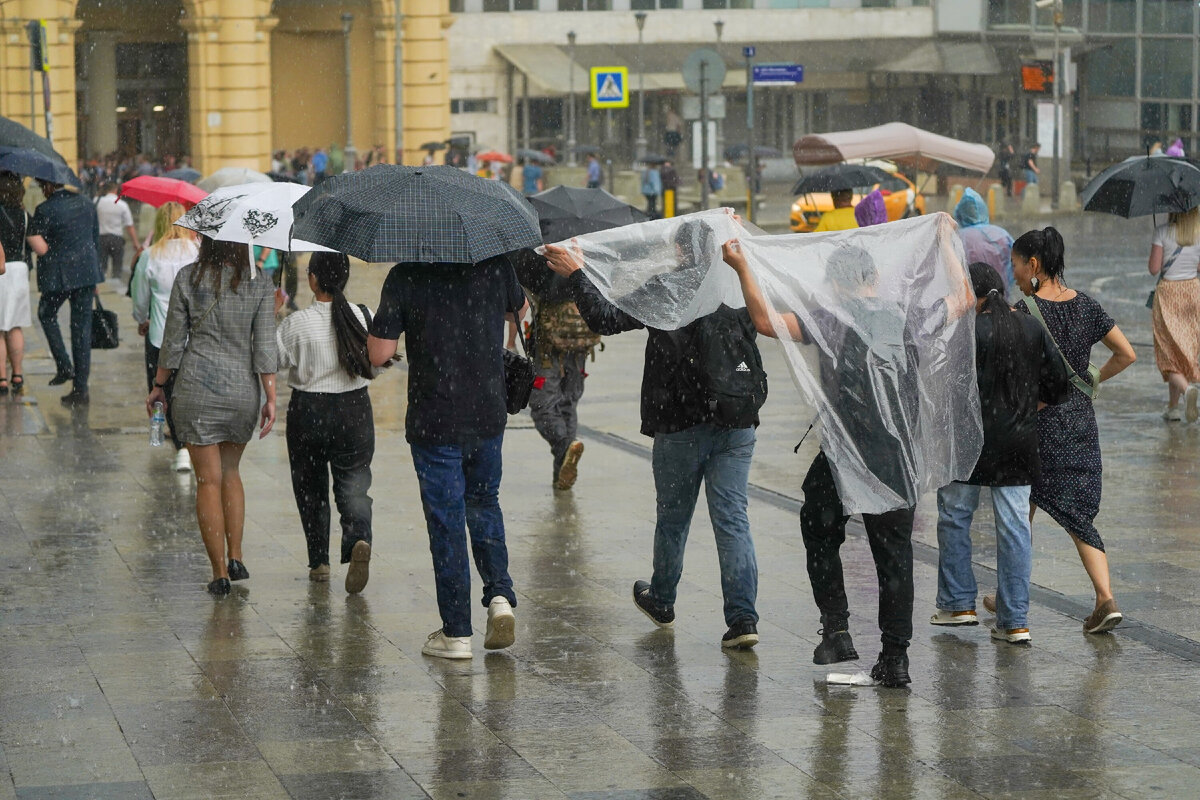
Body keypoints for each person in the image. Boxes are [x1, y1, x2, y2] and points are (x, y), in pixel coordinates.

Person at [721, 235, 974, 687]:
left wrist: (742, 265)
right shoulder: (909, 318)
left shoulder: (829, 319)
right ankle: (895, 658)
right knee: (894, 556)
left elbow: (763, 321)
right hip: (897, 455)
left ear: (835, 285)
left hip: (843, 454)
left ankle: (836, 626)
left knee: (817, 526)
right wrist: (942, 241)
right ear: (874, 278)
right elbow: (964, 299)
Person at [543, 222, 766, 651]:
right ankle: (742, 618)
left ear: (681, 252)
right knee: (733, 518)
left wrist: (577, 274)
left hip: (681, 421)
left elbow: (605, 318)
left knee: (673, 517)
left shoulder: (668, 289)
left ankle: (663, 598)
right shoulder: (737, 288)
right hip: (737, 421)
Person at [366, 255, 527, 659]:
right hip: (487, 412)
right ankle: (500, 597)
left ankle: (456, 633)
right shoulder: (496, 267)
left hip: (434, 417)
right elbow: (523, 314)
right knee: (485, 503)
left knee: (447, 521)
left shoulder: (406, 275)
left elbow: (379, 353)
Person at [932, 263, 1071, 644]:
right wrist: (1025, 408)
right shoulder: (1030, 327)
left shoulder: (966, 332)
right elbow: (1059, 386)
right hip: (1017, 445)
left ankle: (958, 604)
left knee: (955, 518)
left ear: (970, 297)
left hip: (969, 443)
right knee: (1014, 531)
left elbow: (945, 387)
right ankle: (1014, 622)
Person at [1012, 227, 1136, 634]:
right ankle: (1104, 596)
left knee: (1020, 510)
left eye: (1015, 264)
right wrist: (1093, 376)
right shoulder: (1086, 306)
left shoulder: (1024, 310)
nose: (1012, 273)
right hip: (1080, 420)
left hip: (1040, 422)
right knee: (1076, 514)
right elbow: (1127, 353)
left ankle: (1011, 592)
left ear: (1034, 265)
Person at [150, 238, 278, 597]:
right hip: (242, 392)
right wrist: (271, 396)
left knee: (208, 480)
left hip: (196, 387)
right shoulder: (260, 283)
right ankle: (236, 555)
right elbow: (265, 347)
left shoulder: (188, 278)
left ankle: (219, 572)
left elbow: (173, 341)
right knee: (232, 473)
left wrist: (159, 384)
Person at [277, 252, 377, 593]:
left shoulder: (295, 324)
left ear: (313, 279)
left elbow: (272, 360)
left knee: (310, 488)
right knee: (354, 484)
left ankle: (319, 561)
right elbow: (379, 360)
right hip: (354, 409)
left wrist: (275, 313)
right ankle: (358, 538)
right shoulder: (363, 316)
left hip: (308, 410)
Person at [513, 250, 599, 490]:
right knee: (568, 404)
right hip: (580, 342)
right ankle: (561, 472)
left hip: (547, 345)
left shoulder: (538, 254)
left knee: (543, 405)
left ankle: (563, 448)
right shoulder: (586, 252)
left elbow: (518, 306)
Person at [130, 202, 200, 472]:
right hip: (194, 338)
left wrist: (142, 319)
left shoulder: (150, 255)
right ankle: (188, 444)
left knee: (159, 389)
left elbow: (139, 298)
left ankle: (165, 437)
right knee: (189, 393)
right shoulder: (198, 253)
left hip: (159, 335)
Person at [27, 179, 102, 406]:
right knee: (81, 330)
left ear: (48, 186)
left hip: (58, 277)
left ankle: (63, 364)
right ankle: (81, 389)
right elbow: (94, 238)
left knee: (46, 314)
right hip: (86, 274)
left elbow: (38, 245)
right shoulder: (87, 203)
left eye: (43, 186)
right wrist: (94, 272)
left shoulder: (45, 209)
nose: (42, 190)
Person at [1147, 206, 1200, 422]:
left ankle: (1188, 390)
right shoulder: (1198, 233)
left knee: (1168, 354)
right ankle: (1173, 407)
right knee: (1185, 350)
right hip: (1193, 292)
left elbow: (1153, 268)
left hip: (1169, 294)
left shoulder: (1162, 232)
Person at [0, 172, 31, 396]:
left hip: (1, 269)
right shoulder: (25, 216)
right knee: (15, 325)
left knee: (0, 328)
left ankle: (1, 377)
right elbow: (38, 245)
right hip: (20, 270)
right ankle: (17, 374)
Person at [954, 187, 1015, 291]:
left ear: (960, 213)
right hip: (1000, 298)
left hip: (968, 300)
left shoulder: (956, 238)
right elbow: (1015, 266)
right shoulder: (1002, 235)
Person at [93, 182, 139, 281]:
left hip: (101, 238)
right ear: (116, 190)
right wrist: (135, 242)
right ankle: (116, 282)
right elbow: (129, 225)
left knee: (101, 266)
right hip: (116, 239)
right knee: (117, 265)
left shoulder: (97, 201)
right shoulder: (122, 204)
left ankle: (102, 284)